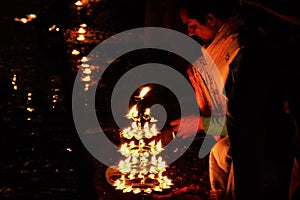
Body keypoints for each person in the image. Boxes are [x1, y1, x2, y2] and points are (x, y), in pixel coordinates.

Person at [170, 0, 296, 199]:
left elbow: (245, 123)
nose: (189, 33)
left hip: (264, 152)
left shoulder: (241, 52)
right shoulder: (226, 50)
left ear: (211, 19)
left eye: (191, 25)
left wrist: (201, 124)